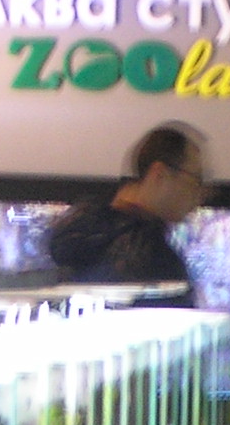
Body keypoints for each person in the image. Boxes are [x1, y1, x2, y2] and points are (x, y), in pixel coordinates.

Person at [46, 123, 207, 300]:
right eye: (196, 180)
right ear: (159, 174)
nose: (200, 194)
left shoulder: (78, 233)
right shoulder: (149, 259)